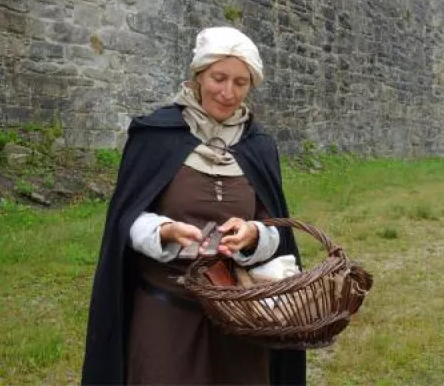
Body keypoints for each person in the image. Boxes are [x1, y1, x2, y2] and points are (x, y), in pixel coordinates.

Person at [81, 26, 306, 385]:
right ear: (198, 76)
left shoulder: (259, 145)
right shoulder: (156, 135)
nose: (228, 92)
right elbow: (127, 218)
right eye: (218, 78)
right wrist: (164, 232)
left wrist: (253, 235)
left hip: (241, 313)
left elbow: (276, 227)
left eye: (240, 82)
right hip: (167, 308)